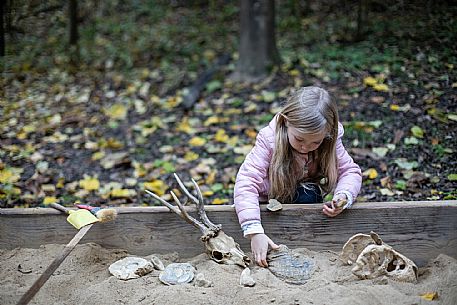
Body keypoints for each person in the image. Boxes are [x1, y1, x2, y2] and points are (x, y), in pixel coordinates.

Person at [234, 86, 362, 267]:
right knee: (247, 207)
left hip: (300, 195)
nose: (305, 147)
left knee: (310, 195)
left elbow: (350, 171)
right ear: (287, 122)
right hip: (267, 202)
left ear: (328, 133)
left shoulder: (331, 141)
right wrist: (254, 231)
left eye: (316, 142)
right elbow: (247, 182)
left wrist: (344, 196)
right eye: (300, 139)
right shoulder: (269, 139)